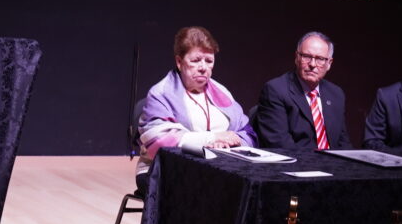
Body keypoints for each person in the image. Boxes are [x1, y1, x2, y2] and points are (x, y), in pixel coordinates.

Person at [136, 26, 255, 192]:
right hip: (162, 171)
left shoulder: (222, 92)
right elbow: (159, 142)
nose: (203, 67)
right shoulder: (161, 93)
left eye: (208, 61)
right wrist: (211, 139)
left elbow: (247, 132)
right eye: (196, 60)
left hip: (217, 169)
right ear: (179, 62)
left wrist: (231, 142)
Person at [254, 31, 352, 150]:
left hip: (333, 165)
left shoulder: (336, 94)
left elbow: (343, 143)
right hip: (296, 164)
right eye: (306, 56)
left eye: (320, 59)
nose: (312, 64)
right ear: (296, 58)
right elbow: (280, 145)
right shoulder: (276, 90)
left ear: (329, 63)